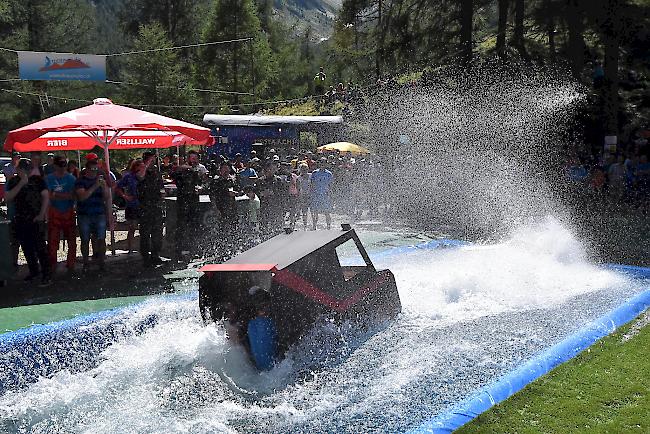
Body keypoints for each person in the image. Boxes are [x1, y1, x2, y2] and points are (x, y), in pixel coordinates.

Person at [5, 158, 51, 286]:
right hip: (21, 218)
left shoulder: (38, 181)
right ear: (18, 170)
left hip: (36, 217)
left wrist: (42, 214)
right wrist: (21, 184)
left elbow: (46, 196)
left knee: (40, 247)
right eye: (22, 169)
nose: (24, 172)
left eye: (27, 169)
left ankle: (46, 274)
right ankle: (33, 271)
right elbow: (7, 197)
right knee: (27, 247)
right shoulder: (14, 181)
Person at [75, 157, 111, 272]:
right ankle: (86, 262)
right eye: (92, 169)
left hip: (99, 213)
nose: (95, 172)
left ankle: (101, 261)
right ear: (87, 169)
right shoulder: (80, 181)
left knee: (101, 238)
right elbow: (82, 196)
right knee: (85, 239)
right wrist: (95, 186)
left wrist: (104, 187)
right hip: (84, 214)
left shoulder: (101, 181)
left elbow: (106, 197)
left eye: (96, 170)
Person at [45, 155, 77, 273]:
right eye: (60, 166)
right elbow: (48, 195)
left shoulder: (72, 178)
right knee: (53, 240)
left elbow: (74, 196)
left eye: (64, 166)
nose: (62, 168)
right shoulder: (48, 178)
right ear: (55, 166)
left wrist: (56, 195)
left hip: (68, 211)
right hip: (54, 211)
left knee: (72, 240)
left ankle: (71, 263)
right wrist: (65, 195)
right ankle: (53, 264)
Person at [171, 150, 204, 258]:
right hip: (183, 201)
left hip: (194, 201)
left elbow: (204, 182)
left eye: (195, 158)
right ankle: (178, 251)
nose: (193, 160)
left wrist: (201, 188)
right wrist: (181, 169)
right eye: (192, 158)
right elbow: (174, 177)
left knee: (194, 226)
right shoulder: (182, 169)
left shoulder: (200, 169)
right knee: (181, 227)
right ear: (188, 158)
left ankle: (193, 249)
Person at [138, 151, 165, 267]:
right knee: (145, 233)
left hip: (156, 206)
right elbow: (140, 177)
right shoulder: (141, 171)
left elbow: (161, 186)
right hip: (145, 207)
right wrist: (146, 165)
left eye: (154, 160)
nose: (153, 162)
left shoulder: (156, 172)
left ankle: (156, 254)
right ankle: (145, 256)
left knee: (157, 233)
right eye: (151, 160)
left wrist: (162, 193)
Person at [116, 159, 143, 254]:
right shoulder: (129, 177)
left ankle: (143, 248)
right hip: (132, 205)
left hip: (144, 205)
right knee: (132, 227)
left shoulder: (146, 176)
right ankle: (130, 249)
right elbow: (117, 187)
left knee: (143, 228)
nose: (141, 168)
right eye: (139, 166)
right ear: (135, 166)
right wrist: (125, 196)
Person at [209, 161, 239, 241]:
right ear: (220, 170)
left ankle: (232, 245)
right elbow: (212, 196)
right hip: (221, 208)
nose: (226, 171)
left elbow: (239, 190)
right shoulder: (216, 181)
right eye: (224, 169)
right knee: (222, 230)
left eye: (227, 169)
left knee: (234, 229)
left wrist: (236, 193)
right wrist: (215, 208)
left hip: (232, 208)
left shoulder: (232, 180)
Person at [256, 161, 286, 238]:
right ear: (266, 169)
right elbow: (256, 194)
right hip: (264, 207)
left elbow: (283, 194)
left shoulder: (278, 180)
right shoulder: (260, 180)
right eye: (270, 169)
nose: (272, 170)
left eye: (273, 169)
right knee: (263, 227)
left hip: (275, 207)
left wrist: (273, 193)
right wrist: (262, 194)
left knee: (275, 228)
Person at [309, 158, 333, 230]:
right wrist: (311, 194)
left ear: (326, 163)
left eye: (324, 162)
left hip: (325, 195)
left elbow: (331, 185)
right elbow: (312, 184)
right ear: (319, 163)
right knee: (315, 211)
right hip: (316, 195)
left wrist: (330, 195)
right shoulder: (315, 173)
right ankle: (314, 226)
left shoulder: (329, 173)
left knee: (327, 212)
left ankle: (328, 227)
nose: (322, 164)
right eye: (321, 162)